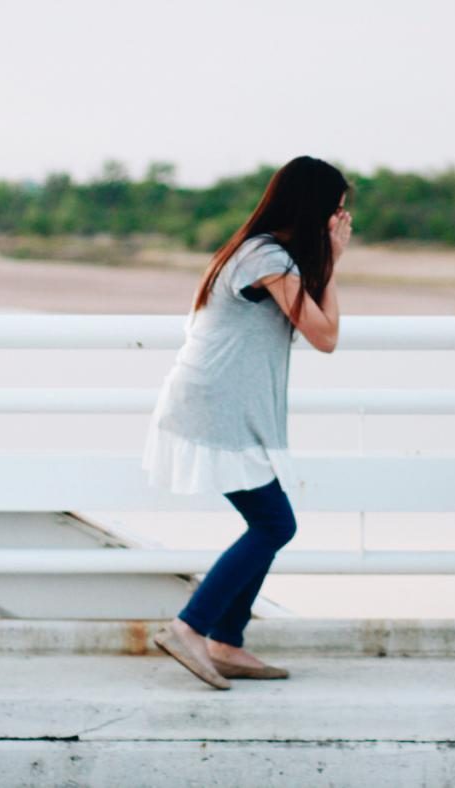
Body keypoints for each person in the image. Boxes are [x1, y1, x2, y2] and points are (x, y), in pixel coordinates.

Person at [142, 156, 351, 689]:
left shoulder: (265, 253)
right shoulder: (264, 257)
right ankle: (191, 626)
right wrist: (333, 258)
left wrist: (323, 258)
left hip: (222, 403)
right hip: (215, 407)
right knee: (275, 525)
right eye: (338, 212)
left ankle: (227, 641)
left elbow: (314, 328)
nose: (341, 221)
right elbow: (325, 336)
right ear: (317, 210)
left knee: (270, 522)